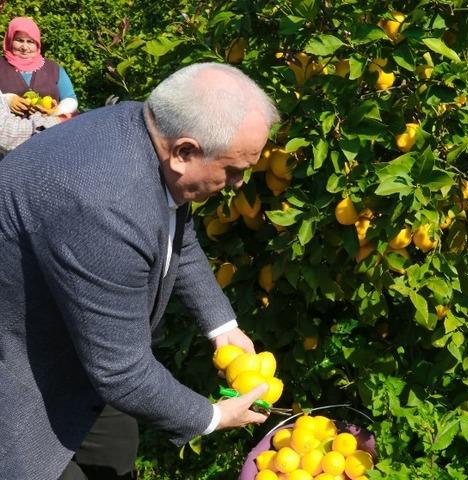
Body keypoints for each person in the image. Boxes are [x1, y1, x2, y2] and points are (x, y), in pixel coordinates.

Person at [0, 62, 280, 480]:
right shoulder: (103, 204)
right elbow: (122, 371)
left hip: (86, 349)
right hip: (24, 370)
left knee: (115, 455)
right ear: (185, 152)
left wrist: (222, 327)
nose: (240, 184)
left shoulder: (147, 129)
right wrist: (211, 416)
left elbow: (175, 230)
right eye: (233, 170)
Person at [0, 16, 78, 118]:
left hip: (50, 131)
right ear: (10, 40)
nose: (24, 47)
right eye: (19, 40)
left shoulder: (53, 69)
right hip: (8, 132)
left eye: (30, 41)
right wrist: (6, 100)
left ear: (37, 44)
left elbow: (70, 98)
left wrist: (57, 111)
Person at [0, 86, 60, 157]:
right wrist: (54, 120)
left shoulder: (55, 74)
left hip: (45, 148)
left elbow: (70, 97)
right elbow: (5, 131)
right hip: (13, 155)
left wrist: (5, 99)